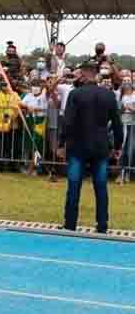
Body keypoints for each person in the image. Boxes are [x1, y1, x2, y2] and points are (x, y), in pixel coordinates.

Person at [60, 62, 123, 233]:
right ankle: (102, 225)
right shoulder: (109, 95)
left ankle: (70, 224)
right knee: (101, 186)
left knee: (74, 185)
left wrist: (61, 143)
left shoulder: (75, 94)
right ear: (96, 76)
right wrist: (118, 146)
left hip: (77, 146)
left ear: (83, 74)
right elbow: (117, 124)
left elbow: (67, 122)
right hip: (100, 147)